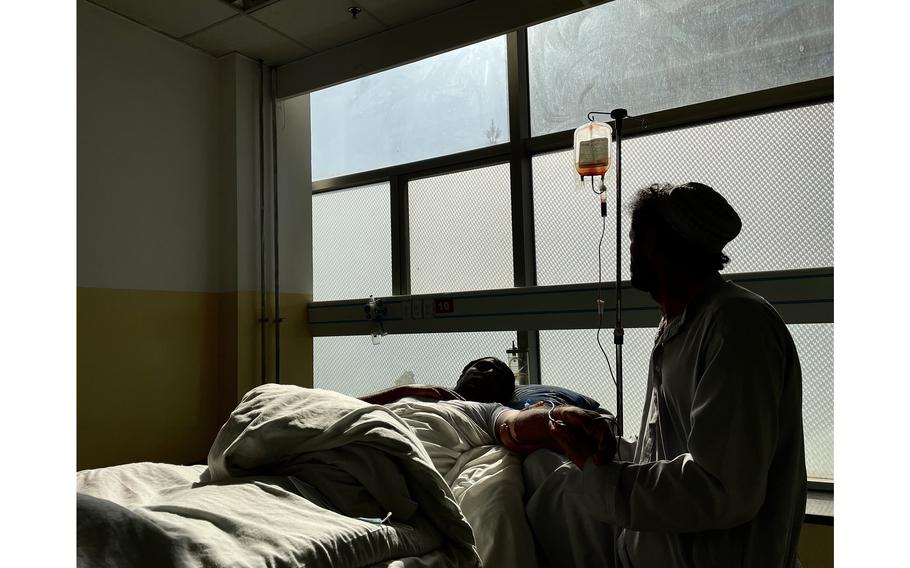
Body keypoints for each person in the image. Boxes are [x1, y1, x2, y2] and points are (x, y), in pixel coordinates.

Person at [525, 182, 807, 568]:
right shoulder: (678, 326)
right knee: (545, 469)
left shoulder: (737, 327)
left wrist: (602, 481)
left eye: (631, 238)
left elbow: (722, 488)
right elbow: (667, 450)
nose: (629, 250)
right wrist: (601, 444)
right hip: (656, 554)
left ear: (651, 243)